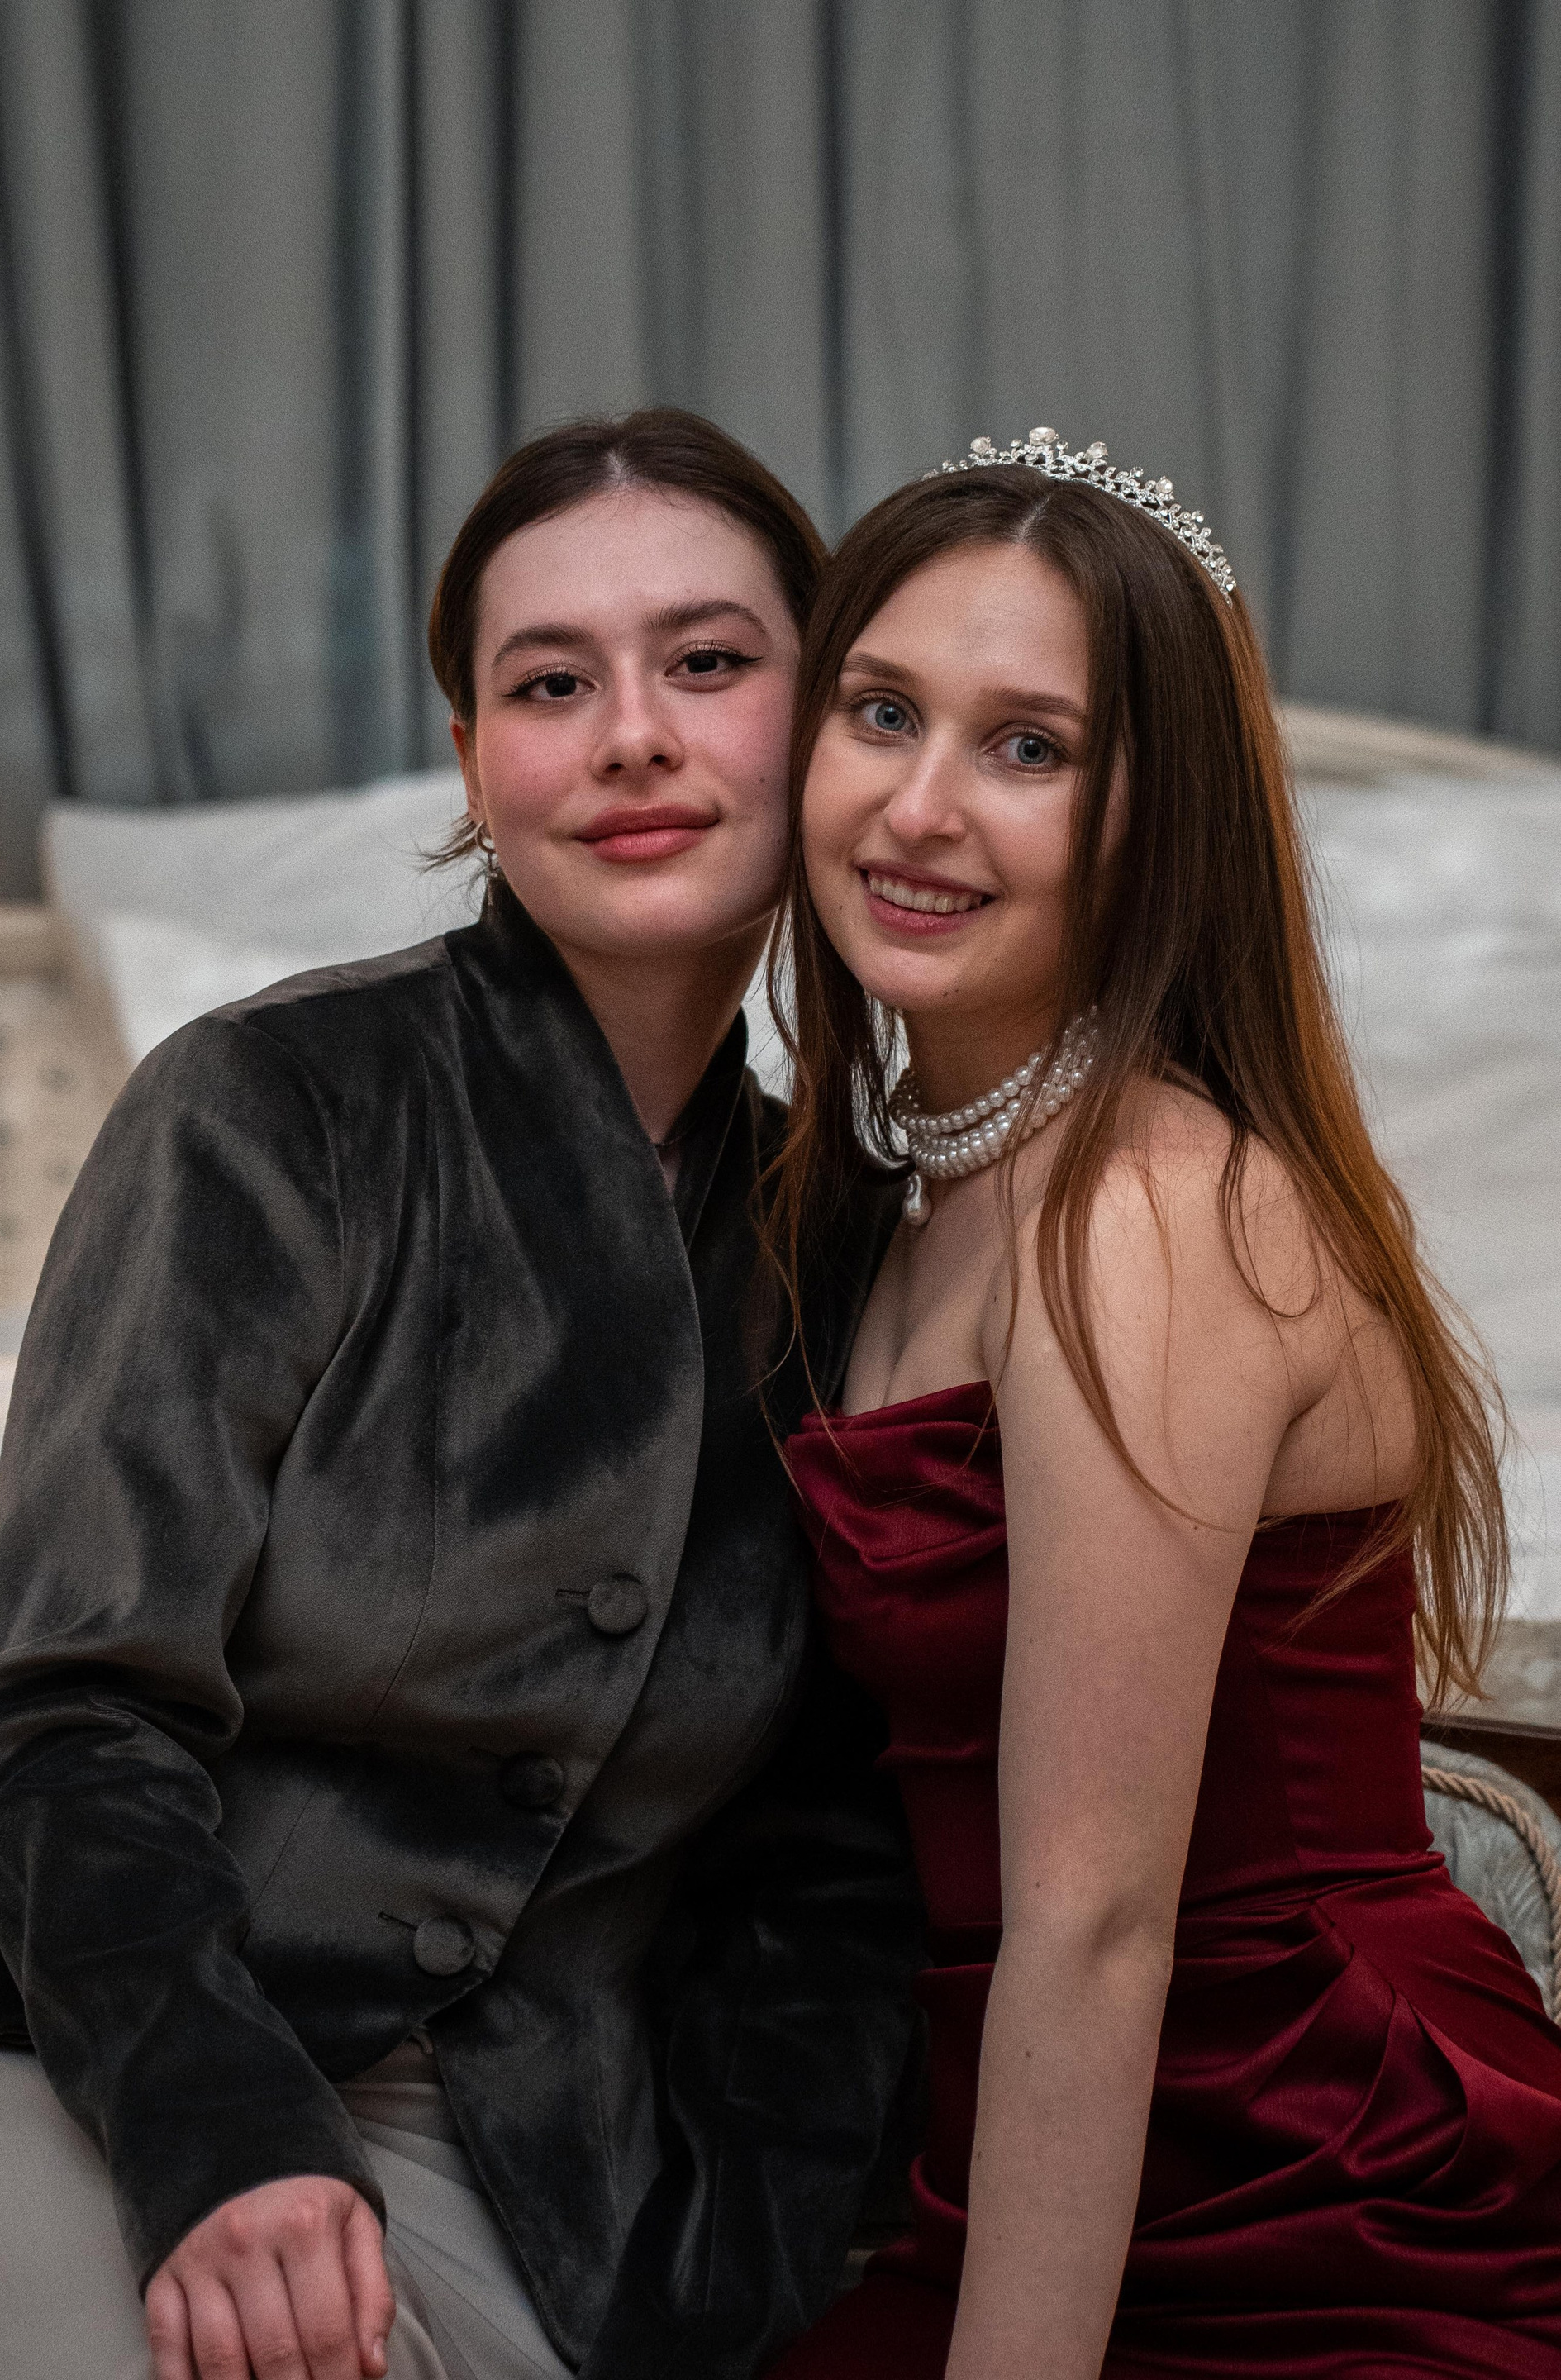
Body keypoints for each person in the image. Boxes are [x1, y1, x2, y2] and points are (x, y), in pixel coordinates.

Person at [0, 410, 924, 2380]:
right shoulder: (266, 1113)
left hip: (573, 2170)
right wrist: (218, 2135)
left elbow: (827, 1855)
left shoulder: (851, 1237)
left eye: (709, 661)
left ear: (829, 720)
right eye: (551, 684)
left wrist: (756, 2235)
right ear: (480, 767)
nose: (634, 737)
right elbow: (66, 1709)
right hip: (121, 2068)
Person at [762, 432, 1561, 2378]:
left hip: (1312, 2178)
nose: (920, 807)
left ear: (1155, 822)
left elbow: (1097, 1925)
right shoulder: (905, 1203)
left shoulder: (1147, 1216)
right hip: (1034, 2153)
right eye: (882, 712)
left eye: (1029, 748)